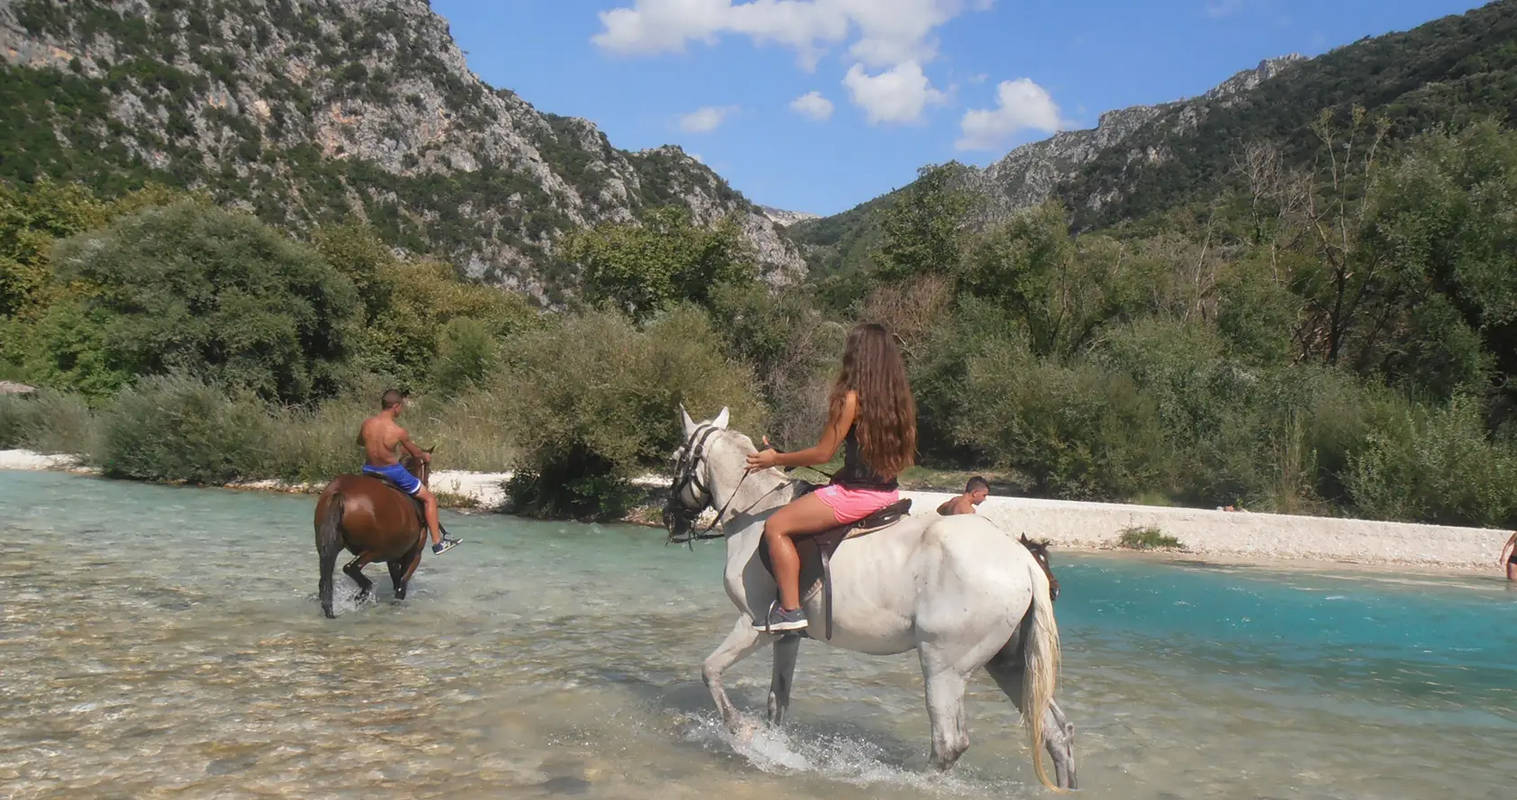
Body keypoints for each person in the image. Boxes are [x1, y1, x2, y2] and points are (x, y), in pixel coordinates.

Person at [745, 323, 917, 632]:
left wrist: (776, 458)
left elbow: (822, 453)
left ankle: (790, 610)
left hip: (856, 496)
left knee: (776, 526)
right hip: (887, 493)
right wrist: (844, 475)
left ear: (856, 356)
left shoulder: (850, 398)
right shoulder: (897, 400)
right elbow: (873, 456)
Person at [358, 389, 458, 555]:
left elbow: (360, 441)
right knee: (429, 499)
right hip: (391, 472)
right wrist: (425, 455)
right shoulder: (398, 432)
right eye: (401, 407)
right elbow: (416, 454)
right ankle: (438, 543)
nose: (401, 410)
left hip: (368, 470)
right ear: (396, 406)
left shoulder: (367, 424)